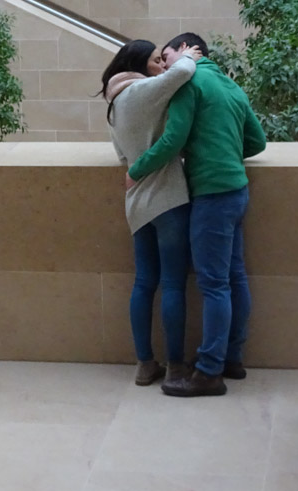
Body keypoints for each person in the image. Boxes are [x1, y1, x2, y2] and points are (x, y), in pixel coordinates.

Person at [126, 32, 267, 398]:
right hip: (237, 189)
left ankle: (208, 372)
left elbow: (172, 139)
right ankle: (232, 358)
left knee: (214, 284)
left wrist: (137, 170)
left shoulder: (189, 84)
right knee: (234, 276)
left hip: (211, 193)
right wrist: (223, 150)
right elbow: (257, 141)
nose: (164, 65)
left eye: (166, 56)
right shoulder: (230, 86)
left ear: (185, 50)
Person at [102, 40, 203, 386]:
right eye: (156, 60)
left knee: (144, 282)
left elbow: (122, 157)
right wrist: (186, 55)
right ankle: (175, 365)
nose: (162, 65)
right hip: (169, 197)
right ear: (140, 64)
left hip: (136, 203)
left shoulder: (114, 104)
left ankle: (145, 363)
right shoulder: (144, 90)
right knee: (173, 283)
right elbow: (183, 72)